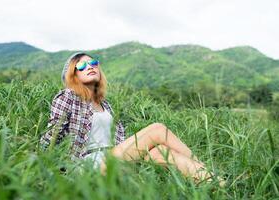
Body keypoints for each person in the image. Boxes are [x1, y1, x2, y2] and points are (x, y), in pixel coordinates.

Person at [39, 52, 225, 186]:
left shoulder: (106, 105)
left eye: (93, 63)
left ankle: (217, 184)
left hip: (114, 157)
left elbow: (119, 142)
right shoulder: (68, 97)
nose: (89, 67)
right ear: (73, 74)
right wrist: (48, 170)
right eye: (81, 66)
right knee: (158, 129)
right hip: (87, 164)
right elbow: (51, 135)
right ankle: (207, 168)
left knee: (161, 151)